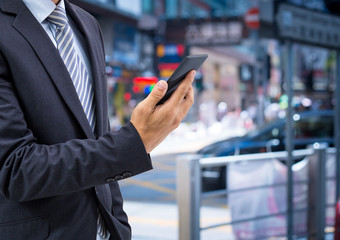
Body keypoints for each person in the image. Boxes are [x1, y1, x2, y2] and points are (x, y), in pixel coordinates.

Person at [0, 0, 195, 239]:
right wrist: (135, 141)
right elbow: (15, 169)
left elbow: (97, 138)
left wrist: (119, 226)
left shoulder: (87, 23)